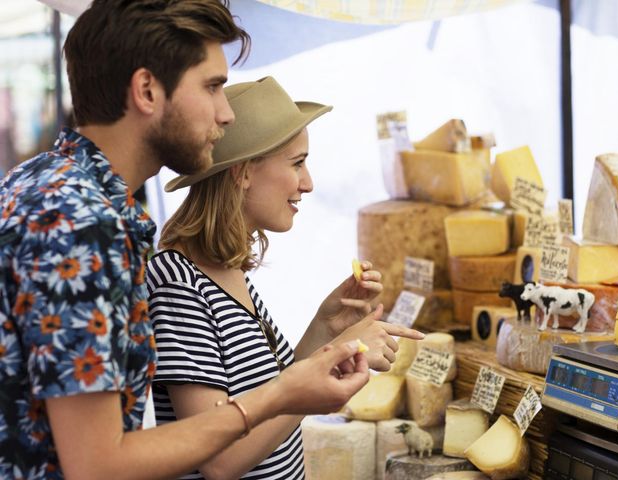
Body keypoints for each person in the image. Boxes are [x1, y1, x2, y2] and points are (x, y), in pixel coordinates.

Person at [0, 2, 373, 479]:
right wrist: (282, 395)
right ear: (147, 91)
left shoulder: (48, 185)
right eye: (212, 87)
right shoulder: (83, 223)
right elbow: (97, 466)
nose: (226, 116)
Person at [148, 76, 425, 479]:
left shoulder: (225, 270)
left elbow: (267, 395)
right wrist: (334, 357)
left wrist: (325, 327)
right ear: (242, 172)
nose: (307, 183)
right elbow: (217, 460)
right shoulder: (177, 280)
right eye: (297, 163)